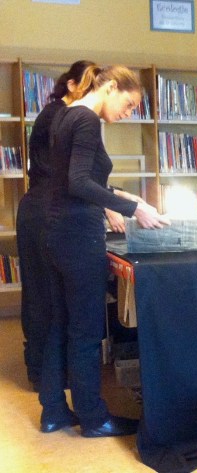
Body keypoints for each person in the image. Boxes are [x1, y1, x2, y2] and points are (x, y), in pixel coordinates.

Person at [39, 65, 168, 437]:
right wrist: (133, 209)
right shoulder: (86, 120)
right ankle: (94, 419)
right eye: (128, 104)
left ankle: (53, 412)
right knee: (86, 332)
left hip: (56, 232)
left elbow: (73, 179)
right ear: (111, 86)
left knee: (60, 326)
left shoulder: (66, 114)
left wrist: (123, 197)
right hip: (78, 237)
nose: (127, 114)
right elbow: (79, 182)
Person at [17, 60, 94, 392]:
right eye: (87, 88)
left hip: (44, 207)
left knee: (48, 295)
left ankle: (47, 375)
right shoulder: (58, 116)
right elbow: (69, 176)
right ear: (72, 85)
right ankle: (41, 373)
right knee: (43, 296)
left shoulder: (64, 115)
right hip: (42, 210)